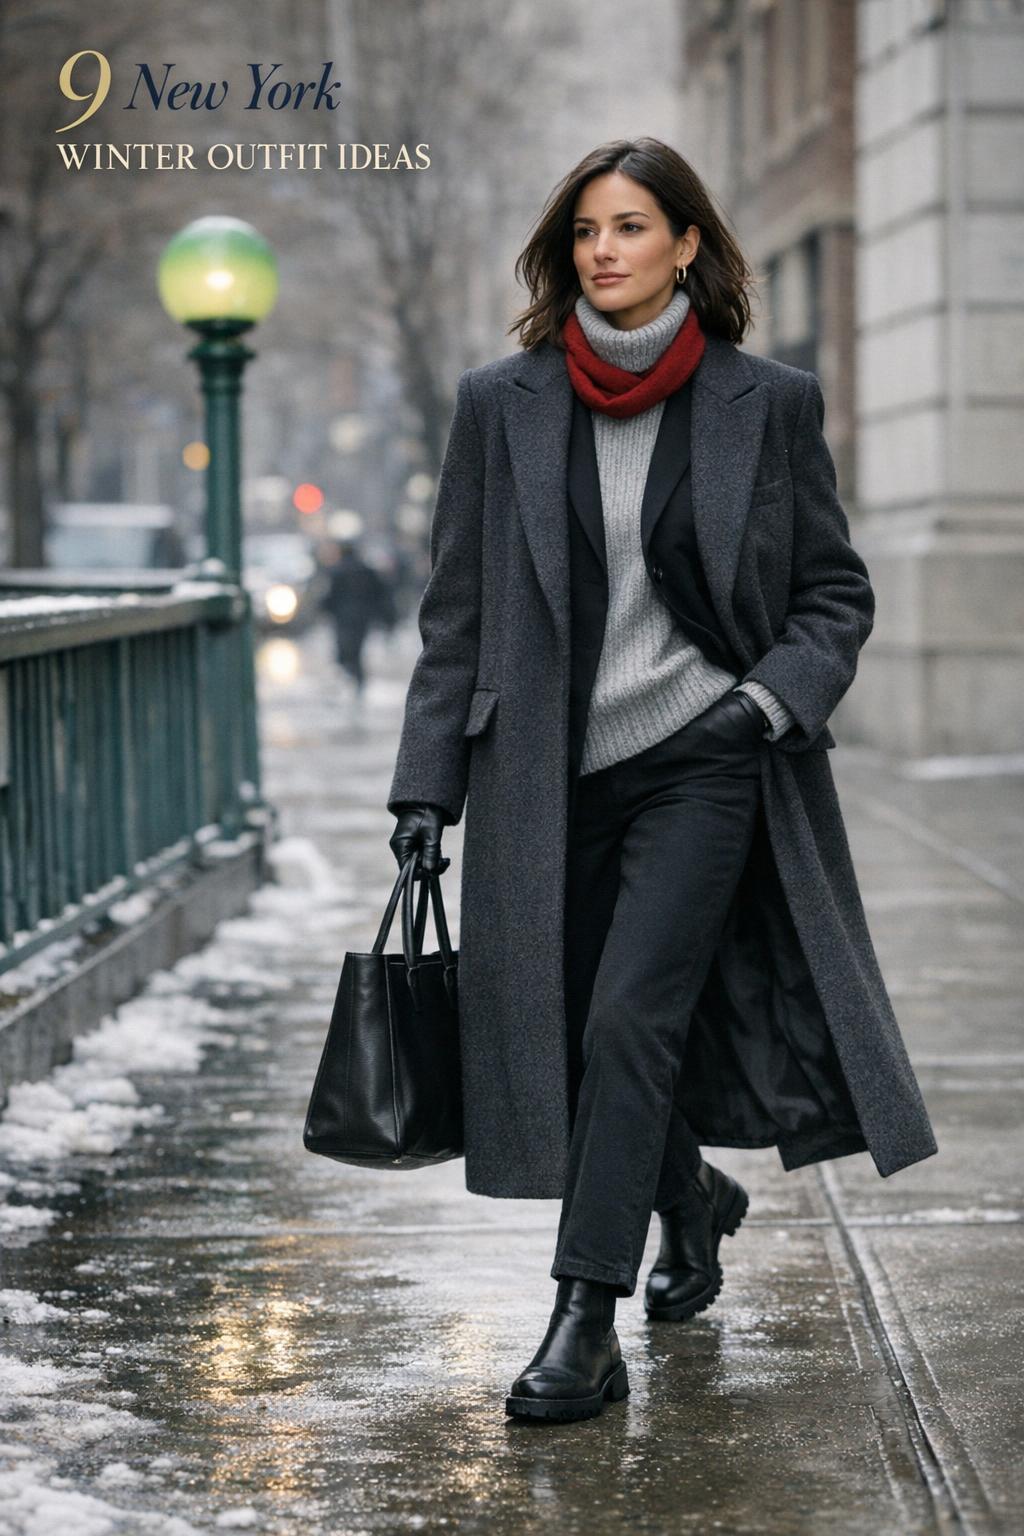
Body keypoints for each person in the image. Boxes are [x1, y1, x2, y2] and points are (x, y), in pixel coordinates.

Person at [386, 137, 937, 1424]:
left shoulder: (767, 403)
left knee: (633, 1021)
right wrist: (426, 792)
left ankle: (586, 1315)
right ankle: (691, 1200)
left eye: (630, 227)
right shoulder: (501, 404)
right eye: (585, 231)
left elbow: (831, 593)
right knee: (580, 1041)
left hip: (705, 764)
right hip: (545, 779)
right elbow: (455, 617)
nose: (603, 251)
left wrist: (765, 703)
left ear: (686, 242)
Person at [319, 539, 396, 693]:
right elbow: (380, 593)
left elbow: (329, 595)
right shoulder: (366, 570)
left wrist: (325, 609)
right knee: (357, 647)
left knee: (344, 645)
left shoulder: (337, 571)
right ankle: (356, 675)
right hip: (362, 617)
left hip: (343, 617)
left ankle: (350, 672)